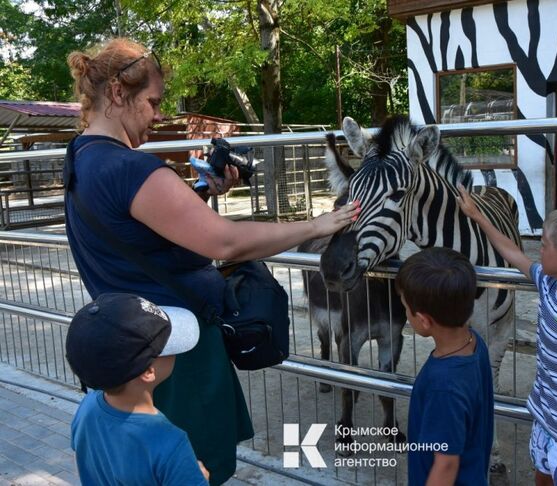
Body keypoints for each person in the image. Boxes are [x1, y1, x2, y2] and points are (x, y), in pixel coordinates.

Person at [64, 38, 360, 485]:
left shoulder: (80, 157)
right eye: (153, 102)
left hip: (127, 346)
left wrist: (201, 192)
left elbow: (134, 230)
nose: (158, 115)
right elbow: (226, 243)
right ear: (119, 93)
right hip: (173, 354)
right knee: (193, 469)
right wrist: (316, 225)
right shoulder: (131, 169)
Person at [457, 186, 557, 485]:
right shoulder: (548, 284)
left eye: (543, 245)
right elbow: (513, 252)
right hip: (545, 421)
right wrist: (477, 216)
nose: (538, 250)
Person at [67, 293, 208, 485]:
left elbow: (82, 462)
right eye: (165, 343)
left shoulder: (87, 407)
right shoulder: (170, 443)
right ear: (148, 371)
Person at [395, 247, 494, 485]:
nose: (406, 313)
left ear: (424, 320)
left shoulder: (444, 385)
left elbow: (446, 464)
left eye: (406, 308)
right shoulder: (474, 343)